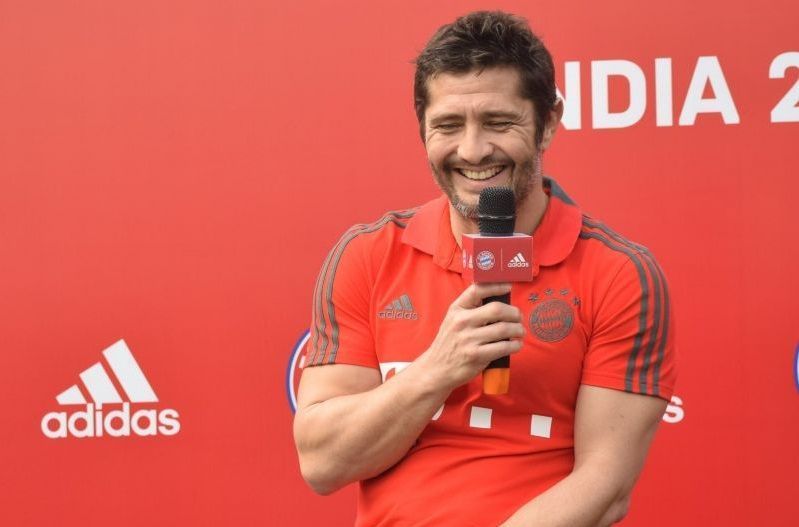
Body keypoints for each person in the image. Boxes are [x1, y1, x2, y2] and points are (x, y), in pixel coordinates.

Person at [293, 10, 677, 527]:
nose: (472, 150)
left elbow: (605, 487)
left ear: (548, 124)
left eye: (499, 122)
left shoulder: (618, 273)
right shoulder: (368, 255)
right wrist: (437, 369)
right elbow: (323, 464)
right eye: (448, 126)